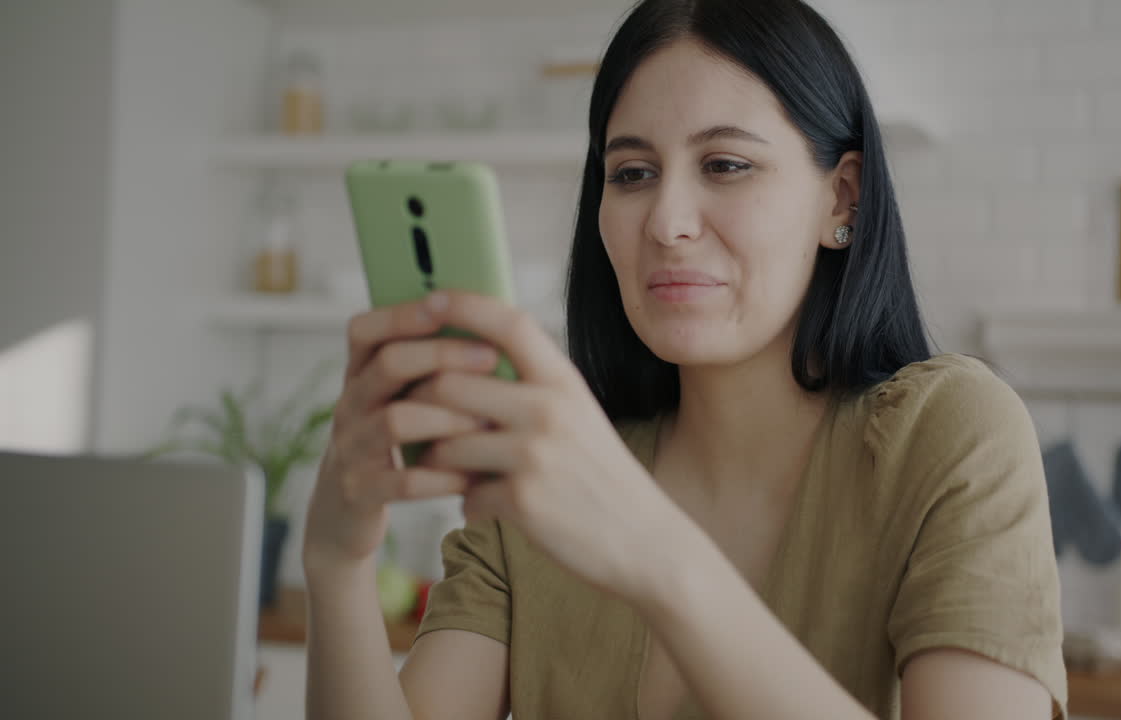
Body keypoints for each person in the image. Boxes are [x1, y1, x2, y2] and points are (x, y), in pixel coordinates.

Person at [301, 0, 1067, 718]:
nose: (666, 222)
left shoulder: (950, 432)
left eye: (726, 165)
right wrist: (335, 562)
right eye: (632, 173)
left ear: (843, 200)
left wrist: (651, 550)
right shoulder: (538, 476)